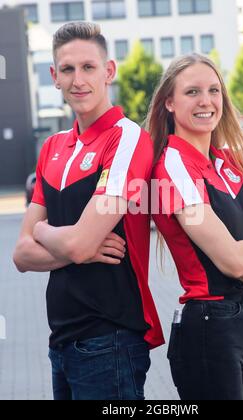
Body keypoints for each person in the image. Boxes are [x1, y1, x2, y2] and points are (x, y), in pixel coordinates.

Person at [13, 21, 164, 401]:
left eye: (88, 67)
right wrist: (73, 243)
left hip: (110, 341)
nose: (78, 80)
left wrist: (46, 232)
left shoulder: (127, 138)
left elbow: (73, 245)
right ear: (54, 77)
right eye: (67, 69)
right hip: (60, 342)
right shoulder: (52, 147)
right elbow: (20, 254)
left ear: (109, 71)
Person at [147, 53, 243, 400]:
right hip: (211, 329)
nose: (206, 101)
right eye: (192, 92)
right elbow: (235, 262)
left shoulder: (232, 161)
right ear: (169, 102)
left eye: (214, 90)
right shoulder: (172, 168)